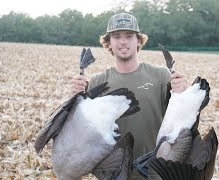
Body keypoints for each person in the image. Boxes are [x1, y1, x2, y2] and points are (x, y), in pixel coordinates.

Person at [70, 12, 188, 179]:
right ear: (108, 43)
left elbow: (184, 118)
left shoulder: (161, 76)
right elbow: (82, 130)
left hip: (156, 172)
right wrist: (75, 99)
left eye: (129, 36)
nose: (123, 41)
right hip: (114, 174)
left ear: (138, 40)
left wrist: (184, 92)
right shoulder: (97, 82)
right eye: (116, 36)